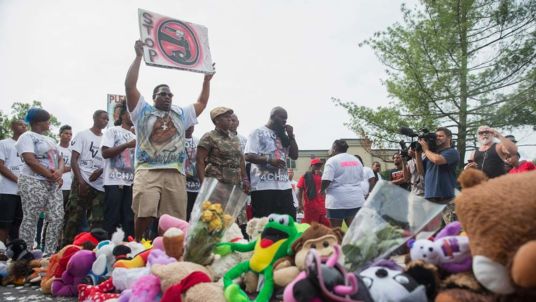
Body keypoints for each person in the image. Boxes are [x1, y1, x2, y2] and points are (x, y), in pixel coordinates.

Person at [125, 40, 214, 241]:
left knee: (172, 221)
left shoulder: (180, 113)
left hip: (175, 172)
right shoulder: (142, 111)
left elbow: (201, 103)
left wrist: (206, 81)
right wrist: (138, 57)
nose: (168, 97)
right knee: (145, 211)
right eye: (163, 94)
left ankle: (167, 248)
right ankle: (138, 243)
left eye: (170, 94)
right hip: (148, 169)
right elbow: (130, 85)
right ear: (154, 96)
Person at [15, 108, 64, 254]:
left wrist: (59, 173)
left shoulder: (51, 140)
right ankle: (25, 254)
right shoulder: (27, 137)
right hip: (32, 181)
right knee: (31, 217)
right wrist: (52, 175)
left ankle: (49, 253)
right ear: (38, 122)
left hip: (52, 183)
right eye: (47, 120)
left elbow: (60, 159)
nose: (49, 123)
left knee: (57, 217)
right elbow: (30, 160)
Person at [62, 110, 108, 246]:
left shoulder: (106, 138)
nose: (105, 121)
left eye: (107, 120)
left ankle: (93, 249)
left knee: (97, 220)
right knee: (73, 217)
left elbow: (109, 161)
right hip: (81, 180)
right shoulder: (83, 135)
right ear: (94, 118)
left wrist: (101, 170)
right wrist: (80, 181)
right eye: (103, 118)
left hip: (99, 185)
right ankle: (66, 247)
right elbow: (74, 160)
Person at [244, 106, 299, 219]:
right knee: (263, 225)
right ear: (273, 116)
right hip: (263, 187)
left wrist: (291, 136)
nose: (285, 121)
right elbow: (248, 155)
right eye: (282, 118)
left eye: (286, 119)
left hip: (284, 187)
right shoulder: (258, 132)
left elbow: (294, 155)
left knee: (289, 223)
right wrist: (269, 160)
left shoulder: (283, 136)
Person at [100, 102, 136, 238]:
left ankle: (127, 251)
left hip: (131, 183)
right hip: (113, 182)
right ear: (123, 115)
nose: (134, 116)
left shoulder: (136, 136)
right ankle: (107, 250)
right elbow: (105, 153)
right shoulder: (112, 131)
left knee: (128, 219)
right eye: (130, 112)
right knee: (112, 219)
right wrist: (127, 145)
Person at [196, 107, 249, 191]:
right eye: (226, 117)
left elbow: (241, 160)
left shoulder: (235, 138)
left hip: (235, 183)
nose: (229, 119)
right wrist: (203, 184)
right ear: (216, 120)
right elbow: (200, 161)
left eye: (230, 117)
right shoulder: (209, 137)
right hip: (216, 183)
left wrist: (245, 178)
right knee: (216, 204)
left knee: (233, 204)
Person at [415, 127, 459, 224]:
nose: (437, 138)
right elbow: (421, 172)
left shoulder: (452, 152)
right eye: (436, 136)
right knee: (431, 232)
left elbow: (438, 160)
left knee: (454, 229)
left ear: (449, 138)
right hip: (430, 198)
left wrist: (426, 150)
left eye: (441, 136)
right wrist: (417, 154)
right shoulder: (432, 154)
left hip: (447, 198)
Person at [321, 139, 364, 228]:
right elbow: (361, 178)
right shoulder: (356, 160)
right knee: (355, 233)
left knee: (336, 232)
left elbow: (326, 180)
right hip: (356, 200)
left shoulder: (332, 161)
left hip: (337, 202)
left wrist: (321, 190)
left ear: (335, 148)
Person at [0, 120, 27, 244]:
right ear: (12, 127)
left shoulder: (28, 147)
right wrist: (18, 179)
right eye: (21, 124)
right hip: (7, 191)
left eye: (26, 125)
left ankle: (14, 252)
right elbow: (1, 166)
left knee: (19, 225)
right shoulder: (4, 143)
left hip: (24, 193)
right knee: (4, 223)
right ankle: (1, 250)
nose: (24, 127)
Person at [297, 158, 329, 226]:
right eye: (316, 165)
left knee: (325, 227)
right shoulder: (305, 176)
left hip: (322, 206)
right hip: (310, 207)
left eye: (320, 165)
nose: (318, 167)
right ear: (311, 166)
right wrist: (300, 204)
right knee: (310, 227)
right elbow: (299, 190)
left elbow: (326, 190)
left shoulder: (323, 177)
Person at [184, 126, 200, 221]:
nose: (189, 127)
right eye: (187, 125)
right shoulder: (177, 140)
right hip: (182, 185)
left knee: (194, 215)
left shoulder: (198, 141)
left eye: (192, 125)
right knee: (183, 213)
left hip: (196, 185)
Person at [57, 125, 73, 207]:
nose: (69, 136)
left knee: (67, 213)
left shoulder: (73, 150)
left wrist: (61, 168)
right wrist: (70, 168)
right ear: (60, 135)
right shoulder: (55, 148)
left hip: (70, 185)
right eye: (66, 133)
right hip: (57, 185)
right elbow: (52, 168)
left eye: (70, 134)